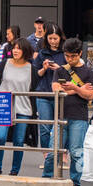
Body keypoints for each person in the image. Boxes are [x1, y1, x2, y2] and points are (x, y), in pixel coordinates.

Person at [51, 38, 93, 186]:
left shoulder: (88, 72)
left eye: (73, 56)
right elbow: (56, 90)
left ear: (80, 54)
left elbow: (90, 95)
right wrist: (78, 89)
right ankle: (49, 178)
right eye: (67, 56)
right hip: (60, 116)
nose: (69, 59)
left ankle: (74, 183)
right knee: (53, 150)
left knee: (76, 152)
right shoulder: (60, 70)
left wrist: (74, 88)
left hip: (79, 116)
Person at [0, 37, 34, 175]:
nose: (15, 51)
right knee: (0, 137)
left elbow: (33, 87)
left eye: (19, 48)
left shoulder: (30, 68)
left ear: (25, 51)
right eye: (14, 48)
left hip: (24, 106)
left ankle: (15, 171)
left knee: (19, 140)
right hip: (3, 104)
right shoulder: (4, 63)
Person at [30, 24, 66, 163]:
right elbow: (36, 74)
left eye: (55, 38)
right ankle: (46, 155)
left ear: (60, 38)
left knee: (61, 125)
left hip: (61, 94)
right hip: (43, 93)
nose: (53, 41)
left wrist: (59, 69)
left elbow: (70, 74)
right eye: (50, 38)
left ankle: (62, 152)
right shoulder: (42, 53)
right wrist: (44, 68)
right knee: (45, 126)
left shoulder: (65, 53)